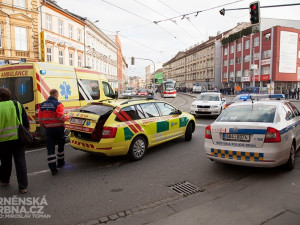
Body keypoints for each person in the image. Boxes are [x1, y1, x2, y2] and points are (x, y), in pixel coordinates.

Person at [0, 87, 29, 193]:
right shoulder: (17, 104)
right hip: (18, 138)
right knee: (20, 161)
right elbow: (25, 122)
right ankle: (23, 186)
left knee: (5, 161)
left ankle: (4, 180)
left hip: (2, 140)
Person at [38, 89, 68, 175]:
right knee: (60, 145)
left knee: (50, 148)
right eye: (58, 95)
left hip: (48, 129)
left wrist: (45, 125)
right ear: (55, 95)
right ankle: (60, 162)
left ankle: (53, 169)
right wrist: (67, 118)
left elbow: (40, 118)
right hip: (58, 128)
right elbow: (61, 118)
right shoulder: (58, 104)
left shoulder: (42, 105)